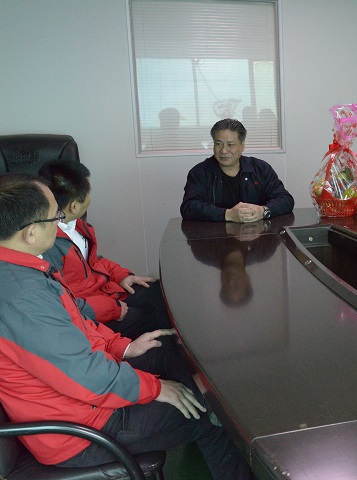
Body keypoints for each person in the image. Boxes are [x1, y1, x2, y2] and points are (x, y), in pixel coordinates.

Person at [0, 173, 252, 479]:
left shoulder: (25, 268)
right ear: (30, 233)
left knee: (167, 351)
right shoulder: (21, 296)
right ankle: (198, 417)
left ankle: (191, 404)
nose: (60, 222)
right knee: (213, 415)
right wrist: (154, 388)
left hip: (85, 402)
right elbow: (85, 377)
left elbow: (79, 327)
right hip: (80, 431)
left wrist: (125, 347)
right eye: (55, 217)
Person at [38, 160, 170, 339]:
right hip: (93, 313)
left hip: (106, 291)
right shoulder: (48, 245)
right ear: (74, 206)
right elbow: (65, 303)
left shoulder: (77, 225)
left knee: (160, 292)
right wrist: (112, 309)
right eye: (88, 193)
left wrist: (121, 275)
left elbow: (93, 261)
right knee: (152, 317)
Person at [181, 118, 294, 223]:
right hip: (215, 236)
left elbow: (285, 199)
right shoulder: (200, 172)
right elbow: (189, 207)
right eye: (218, 144)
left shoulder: (260, 168)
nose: (223, 150)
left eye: (230, 145)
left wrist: (263, 211)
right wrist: (228, 214)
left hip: (257, 235)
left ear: (242, 146)